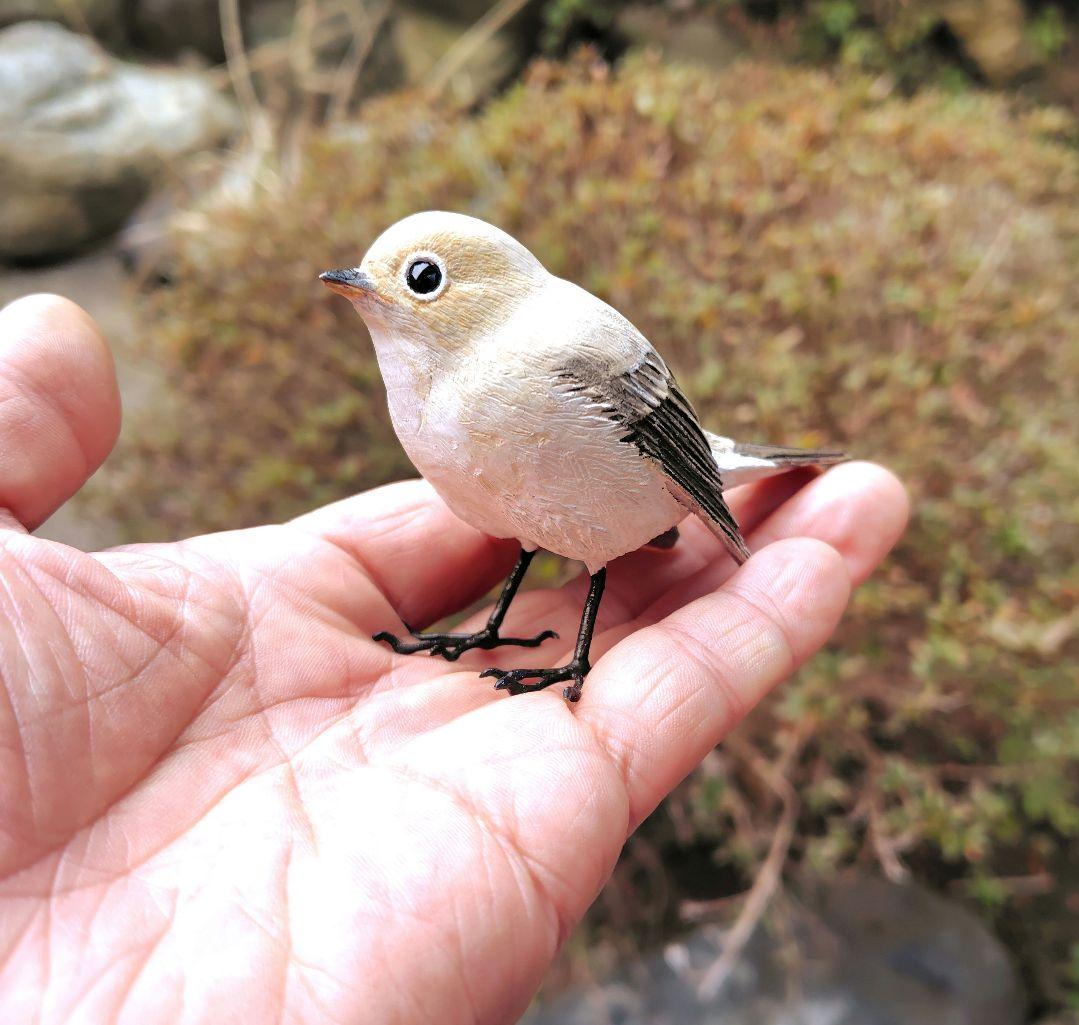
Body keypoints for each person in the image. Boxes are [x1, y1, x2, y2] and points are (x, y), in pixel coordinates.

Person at [0, 294, 908, 1023]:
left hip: (639, 496)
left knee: (590, 559)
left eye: (421, 277)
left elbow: (658, 445)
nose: (373, 291)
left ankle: (573, 660)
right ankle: (492, 628)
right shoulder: (422, 396)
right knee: (525, 540)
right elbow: (519, 523)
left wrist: (704, 501)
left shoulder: (569, 345)